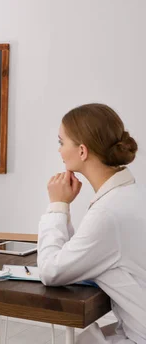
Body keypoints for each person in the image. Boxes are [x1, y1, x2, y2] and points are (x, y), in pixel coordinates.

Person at [38, 103, 145, 344]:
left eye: (61, 142)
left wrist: (57, 205)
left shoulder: (108, 213)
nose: (60, 151)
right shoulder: (132, 193)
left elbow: (51, 271)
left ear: (82, 151)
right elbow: (84, 252)